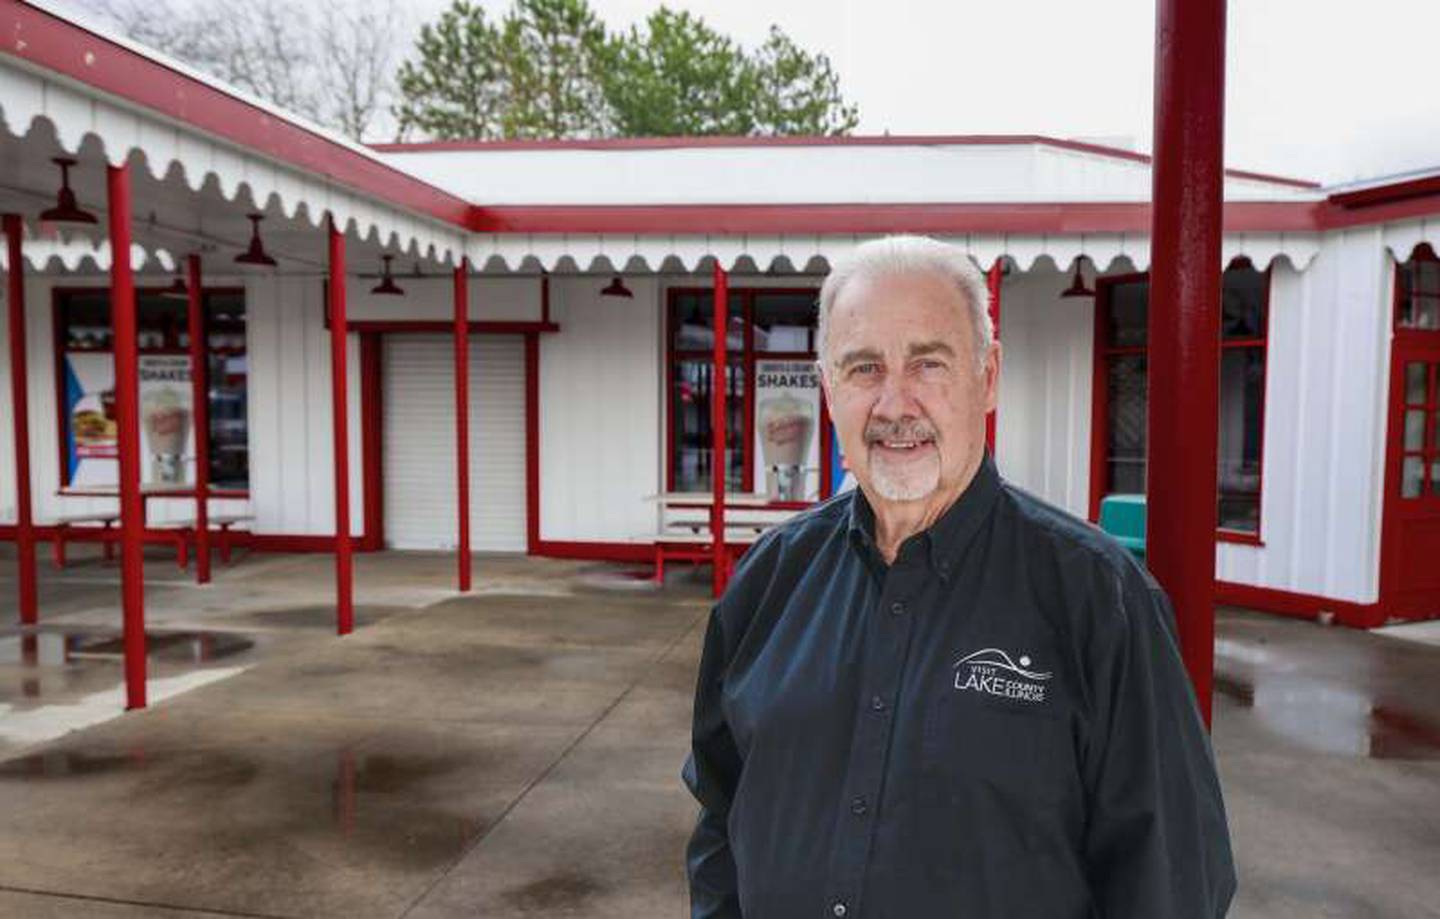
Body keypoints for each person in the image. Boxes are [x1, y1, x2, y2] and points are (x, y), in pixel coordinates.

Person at [682, 235, 1237, 919]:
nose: (894, 405)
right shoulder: (769, 580)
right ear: (828, 391)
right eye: (862, 368)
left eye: (928, 364)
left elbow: (1174, 887)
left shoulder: (1101, 601)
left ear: (988, 375)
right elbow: (719, 815)